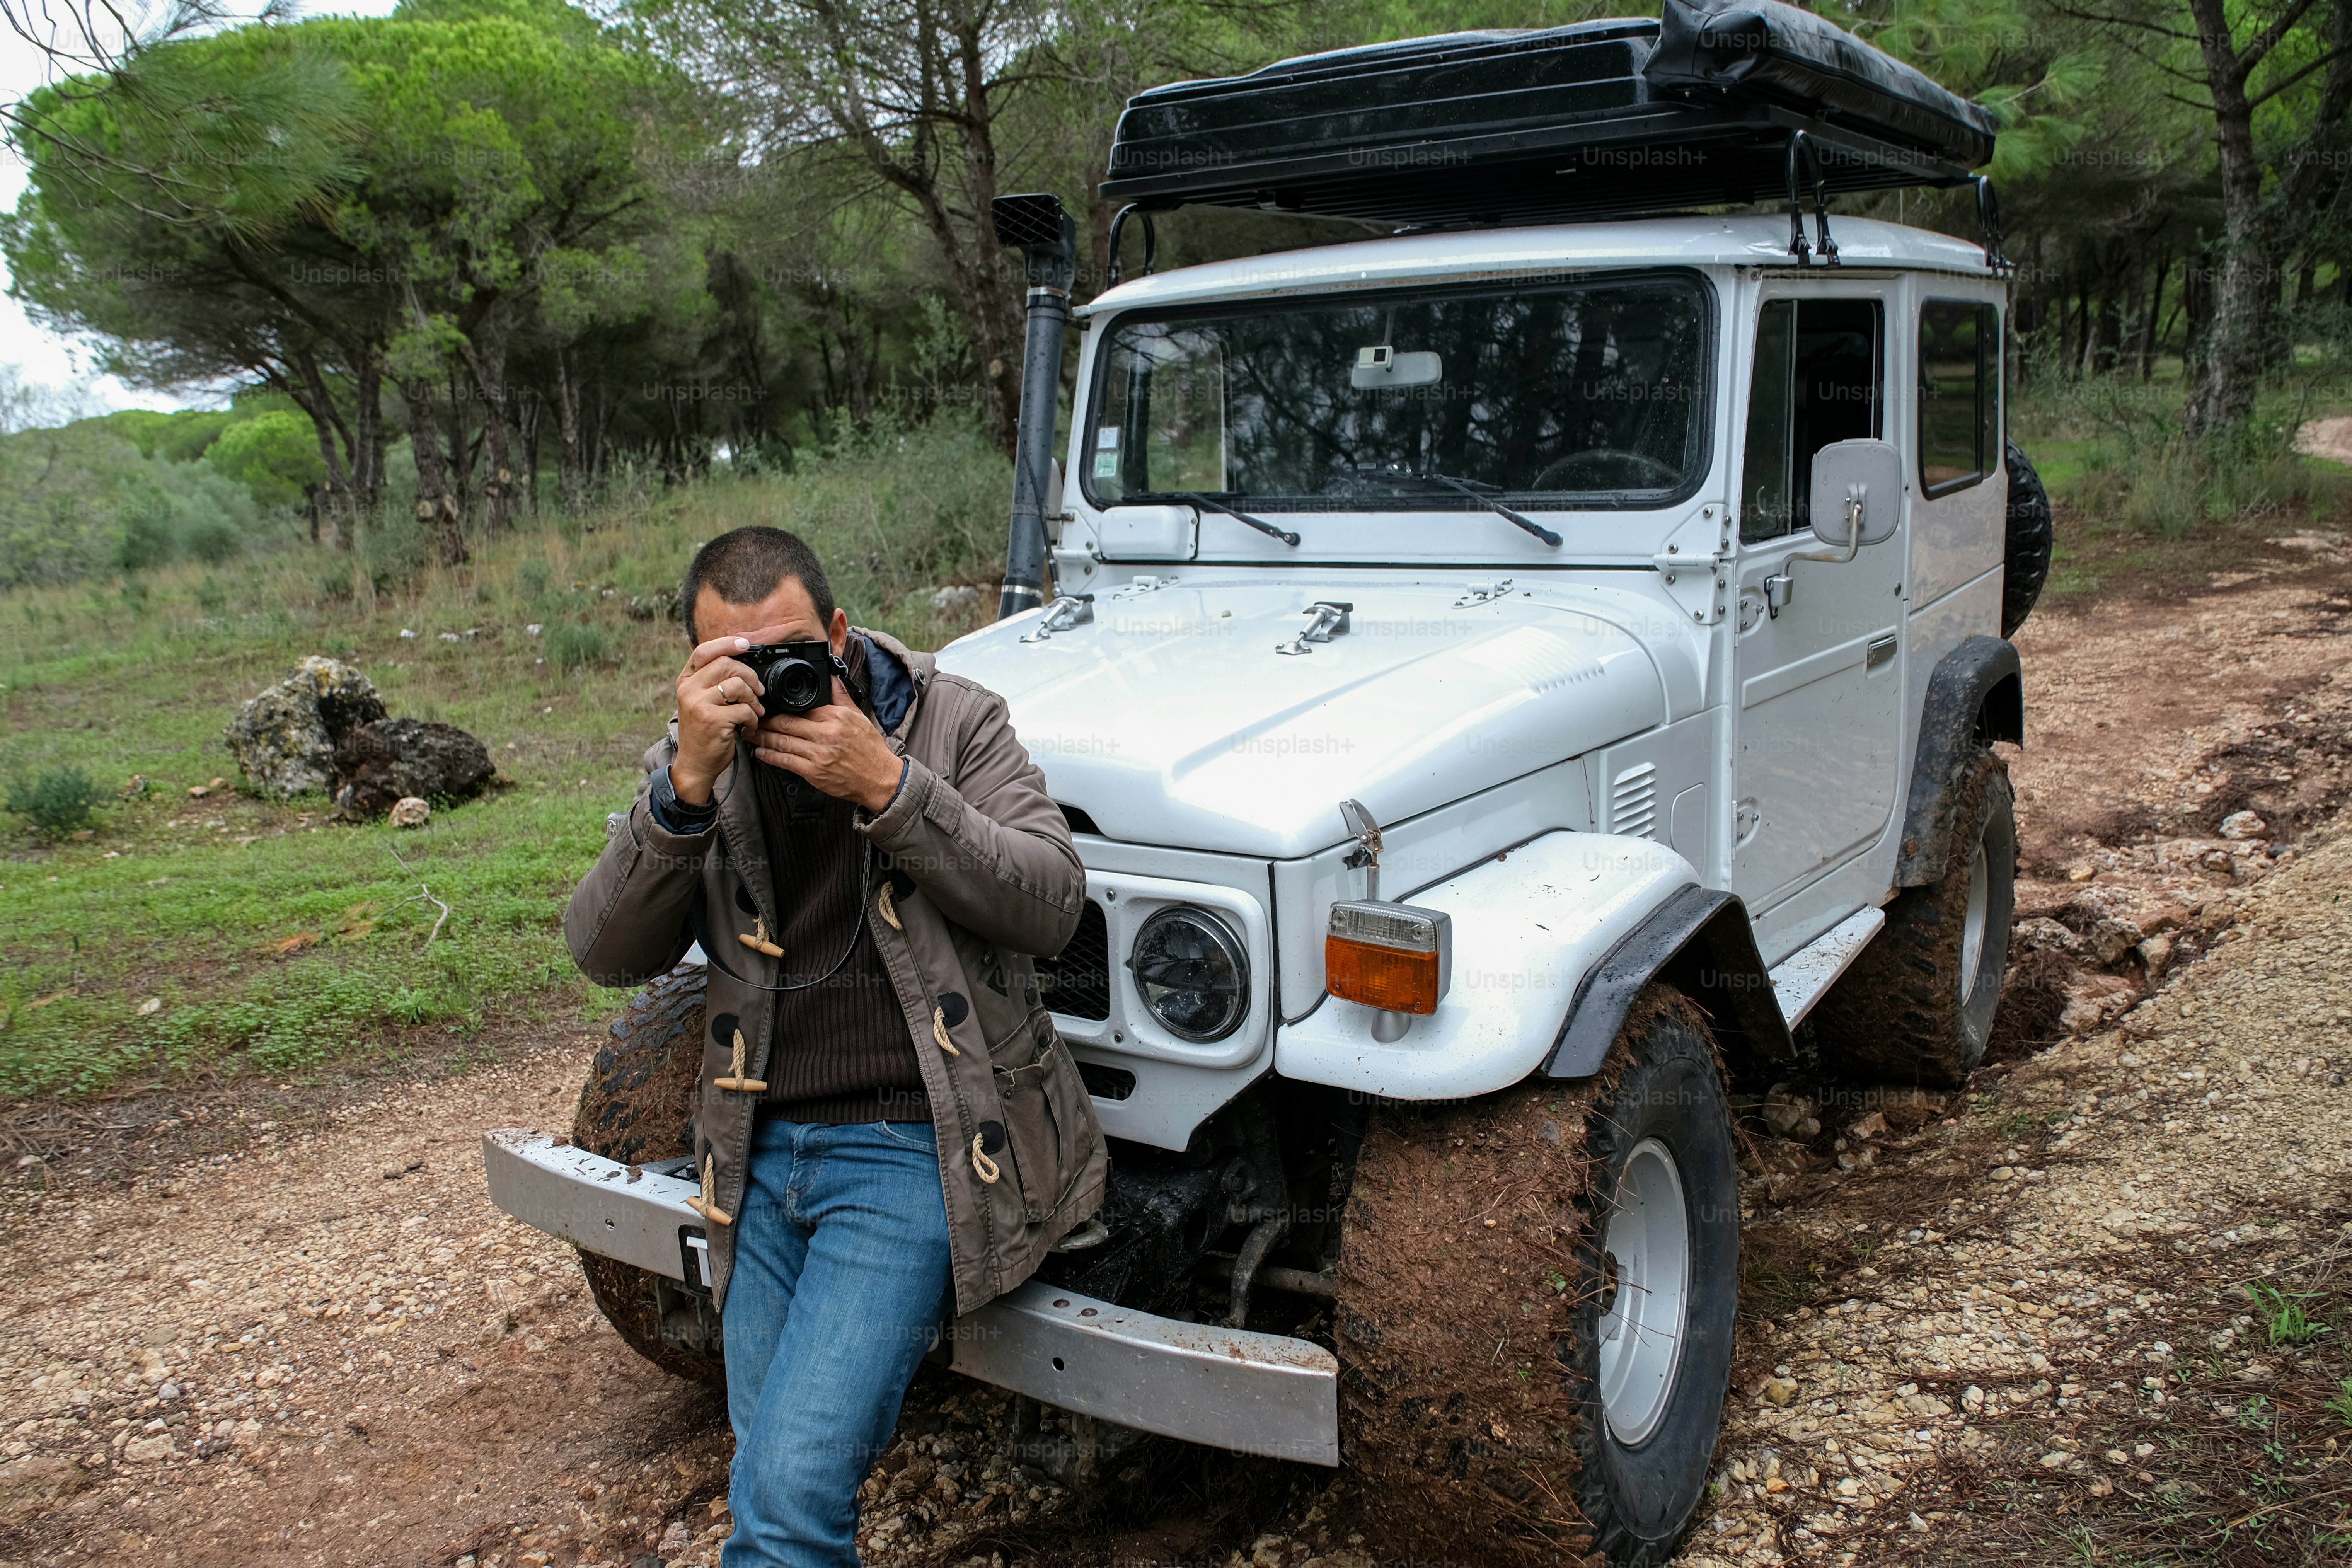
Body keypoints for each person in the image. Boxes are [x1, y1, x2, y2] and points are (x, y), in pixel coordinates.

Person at [564, 526, 1106, 1567]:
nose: (773, 680)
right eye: (738, 661)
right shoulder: (700, 757)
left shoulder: (952, 717)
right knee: (771, 1476)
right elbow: (604, 951)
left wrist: (892, 788)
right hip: (756, 1150)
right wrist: (680, 791)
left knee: (785, 1509)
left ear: (841, 634)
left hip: (917, 1143)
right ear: (694, 663)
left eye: (792, 650)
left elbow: (1050, 906)